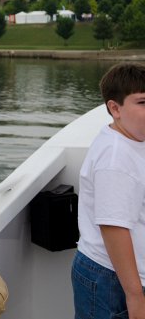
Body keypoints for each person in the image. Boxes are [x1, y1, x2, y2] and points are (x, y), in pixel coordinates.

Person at [72, 62, 145, 319]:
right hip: (111, 280)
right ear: (115, 108)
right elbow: (114, 228)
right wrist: (135, 297)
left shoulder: (134, 138)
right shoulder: (115, 159)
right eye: (142, 103)